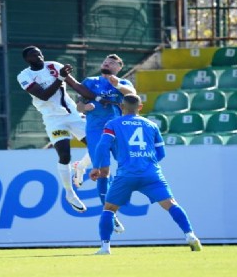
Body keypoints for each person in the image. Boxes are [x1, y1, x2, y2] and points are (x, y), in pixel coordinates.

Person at [90, 94, 201, 255]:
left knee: (109, 209)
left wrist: (98, 167)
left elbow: (102, 146)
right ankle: (190, 235)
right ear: (140, 107)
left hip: (126, 174)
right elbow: (161, 153)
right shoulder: (151, 125)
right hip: (151, 174)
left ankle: (105, 247)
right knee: (171, 204)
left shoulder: (113, 124)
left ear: (121, 107)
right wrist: (147, 162)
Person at [65, 54, 136, 234]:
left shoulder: (123, 83)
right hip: (96, 132)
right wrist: (85, 108)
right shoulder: (90, 81)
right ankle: (110, 214)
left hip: (118, 130)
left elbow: (133, 97)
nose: (107, 63)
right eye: (105, 61)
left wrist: (116, 85)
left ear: (119, 67)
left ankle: (81, 167)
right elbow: (79, 106)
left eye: (112, 62)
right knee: (103, 172)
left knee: (127, 168)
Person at [17, 46, 87, 213]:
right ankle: (70, 193)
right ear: (27, 60)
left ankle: (81, 167)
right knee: (64, 154)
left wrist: (96, 97)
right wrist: (60, 78)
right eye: (34, 55)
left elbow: (75, 85)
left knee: (98, 146)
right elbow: (43, 95)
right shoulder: (24, 76)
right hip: (53, 120)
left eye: (40, 53)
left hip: (73, 115)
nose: (39, 56)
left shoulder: (54, 66)